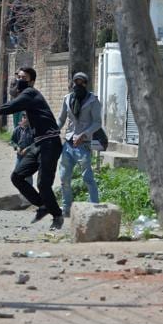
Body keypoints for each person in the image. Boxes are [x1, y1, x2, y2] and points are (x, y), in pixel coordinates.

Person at [0, 66, 64, 230]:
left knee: (43, 184)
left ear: (31, 81)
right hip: (39, 144)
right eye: (18, 77)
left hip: (50, 143)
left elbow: (12, 106)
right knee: (17, 176)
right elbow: (14, 100)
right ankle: (43, 205)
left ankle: (57, 216)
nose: (19, 80)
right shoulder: (26, 94)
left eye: (23, 78)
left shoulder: (30, 93)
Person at [57, 72, 102, 217]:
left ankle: (94, 206)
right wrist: (52, 130)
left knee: (87, 177)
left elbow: (97, 123)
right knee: (64, 177)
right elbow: (61, 119)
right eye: (75, 82)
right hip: (69, 143)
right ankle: (66, 208)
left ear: (86, 84)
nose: (78, 85)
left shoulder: (93, 100)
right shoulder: (67, 98)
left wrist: (84, 135)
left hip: (84, 144)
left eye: (81, 82)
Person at [10, 113, 34, 185]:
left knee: (28, 175)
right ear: (22, 119)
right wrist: (16, 147)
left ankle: (29, 192)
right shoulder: (17, 129)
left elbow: (36, 143)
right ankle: (22, 190)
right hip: (19, 157)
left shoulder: (33, 130)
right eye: (24, 117)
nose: (25, 119)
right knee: (17, 173)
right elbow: (12, 141)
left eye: (27, 118)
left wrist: (27, 149)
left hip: (29, 157)